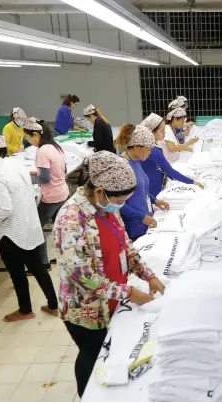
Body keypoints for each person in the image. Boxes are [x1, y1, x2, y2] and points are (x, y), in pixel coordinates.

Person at [54, 151, 165, 398]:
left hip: (112, 298)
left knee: (111, 356)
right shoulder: (71, 220)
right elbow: (82, 277)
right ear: (100, 192)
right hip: (87, 310)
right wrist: (129, 292)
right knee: (93, 357)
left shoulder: (107, 209)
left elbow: (125, 246)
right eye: (120, 199)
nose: (121, 205)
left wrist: (149, 276)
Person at [0, 133, 58, 322]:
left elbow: (5, 210)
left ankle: (25, 310)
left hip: (12, 233)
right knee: (38, 267)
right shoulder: (14, 164)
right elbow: (20, 193)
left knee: (17, 274)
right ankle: (54, 305)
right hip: (29, 226)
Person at [23, 117, 70, 269]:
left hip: (52, 197)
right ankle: (68, 258)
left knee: (36, 227)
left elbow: (44, 178)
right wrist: (36, 173)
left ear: (36, 135)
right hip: (63, 193)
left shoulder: (42, 151)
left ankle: (43, 263)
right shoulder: (55, 146)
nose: (29, 142)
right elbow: (61, 170)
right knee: (61, 228)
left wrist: (26, 179)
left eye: (28, 138)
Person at [116, 123, 170, 240]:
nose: (150, 152)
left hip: (143, 223)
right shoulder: (122, 167)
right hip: (132, 228)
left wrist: (155, 200)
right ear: (136, 147)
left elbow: (140, 190)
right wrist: (141, 217)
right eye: (148, 149)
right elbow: (117, 203)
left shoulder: (136, 162)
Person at [139, 113, 203, 197]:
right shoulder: (153, 150)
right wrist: (193, 182)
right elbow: (170, 171)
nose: (165, 133)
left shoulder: (152, 147)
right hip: (153, 188)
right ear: (151, 132)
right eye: (162, 131)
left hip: (152, 184)